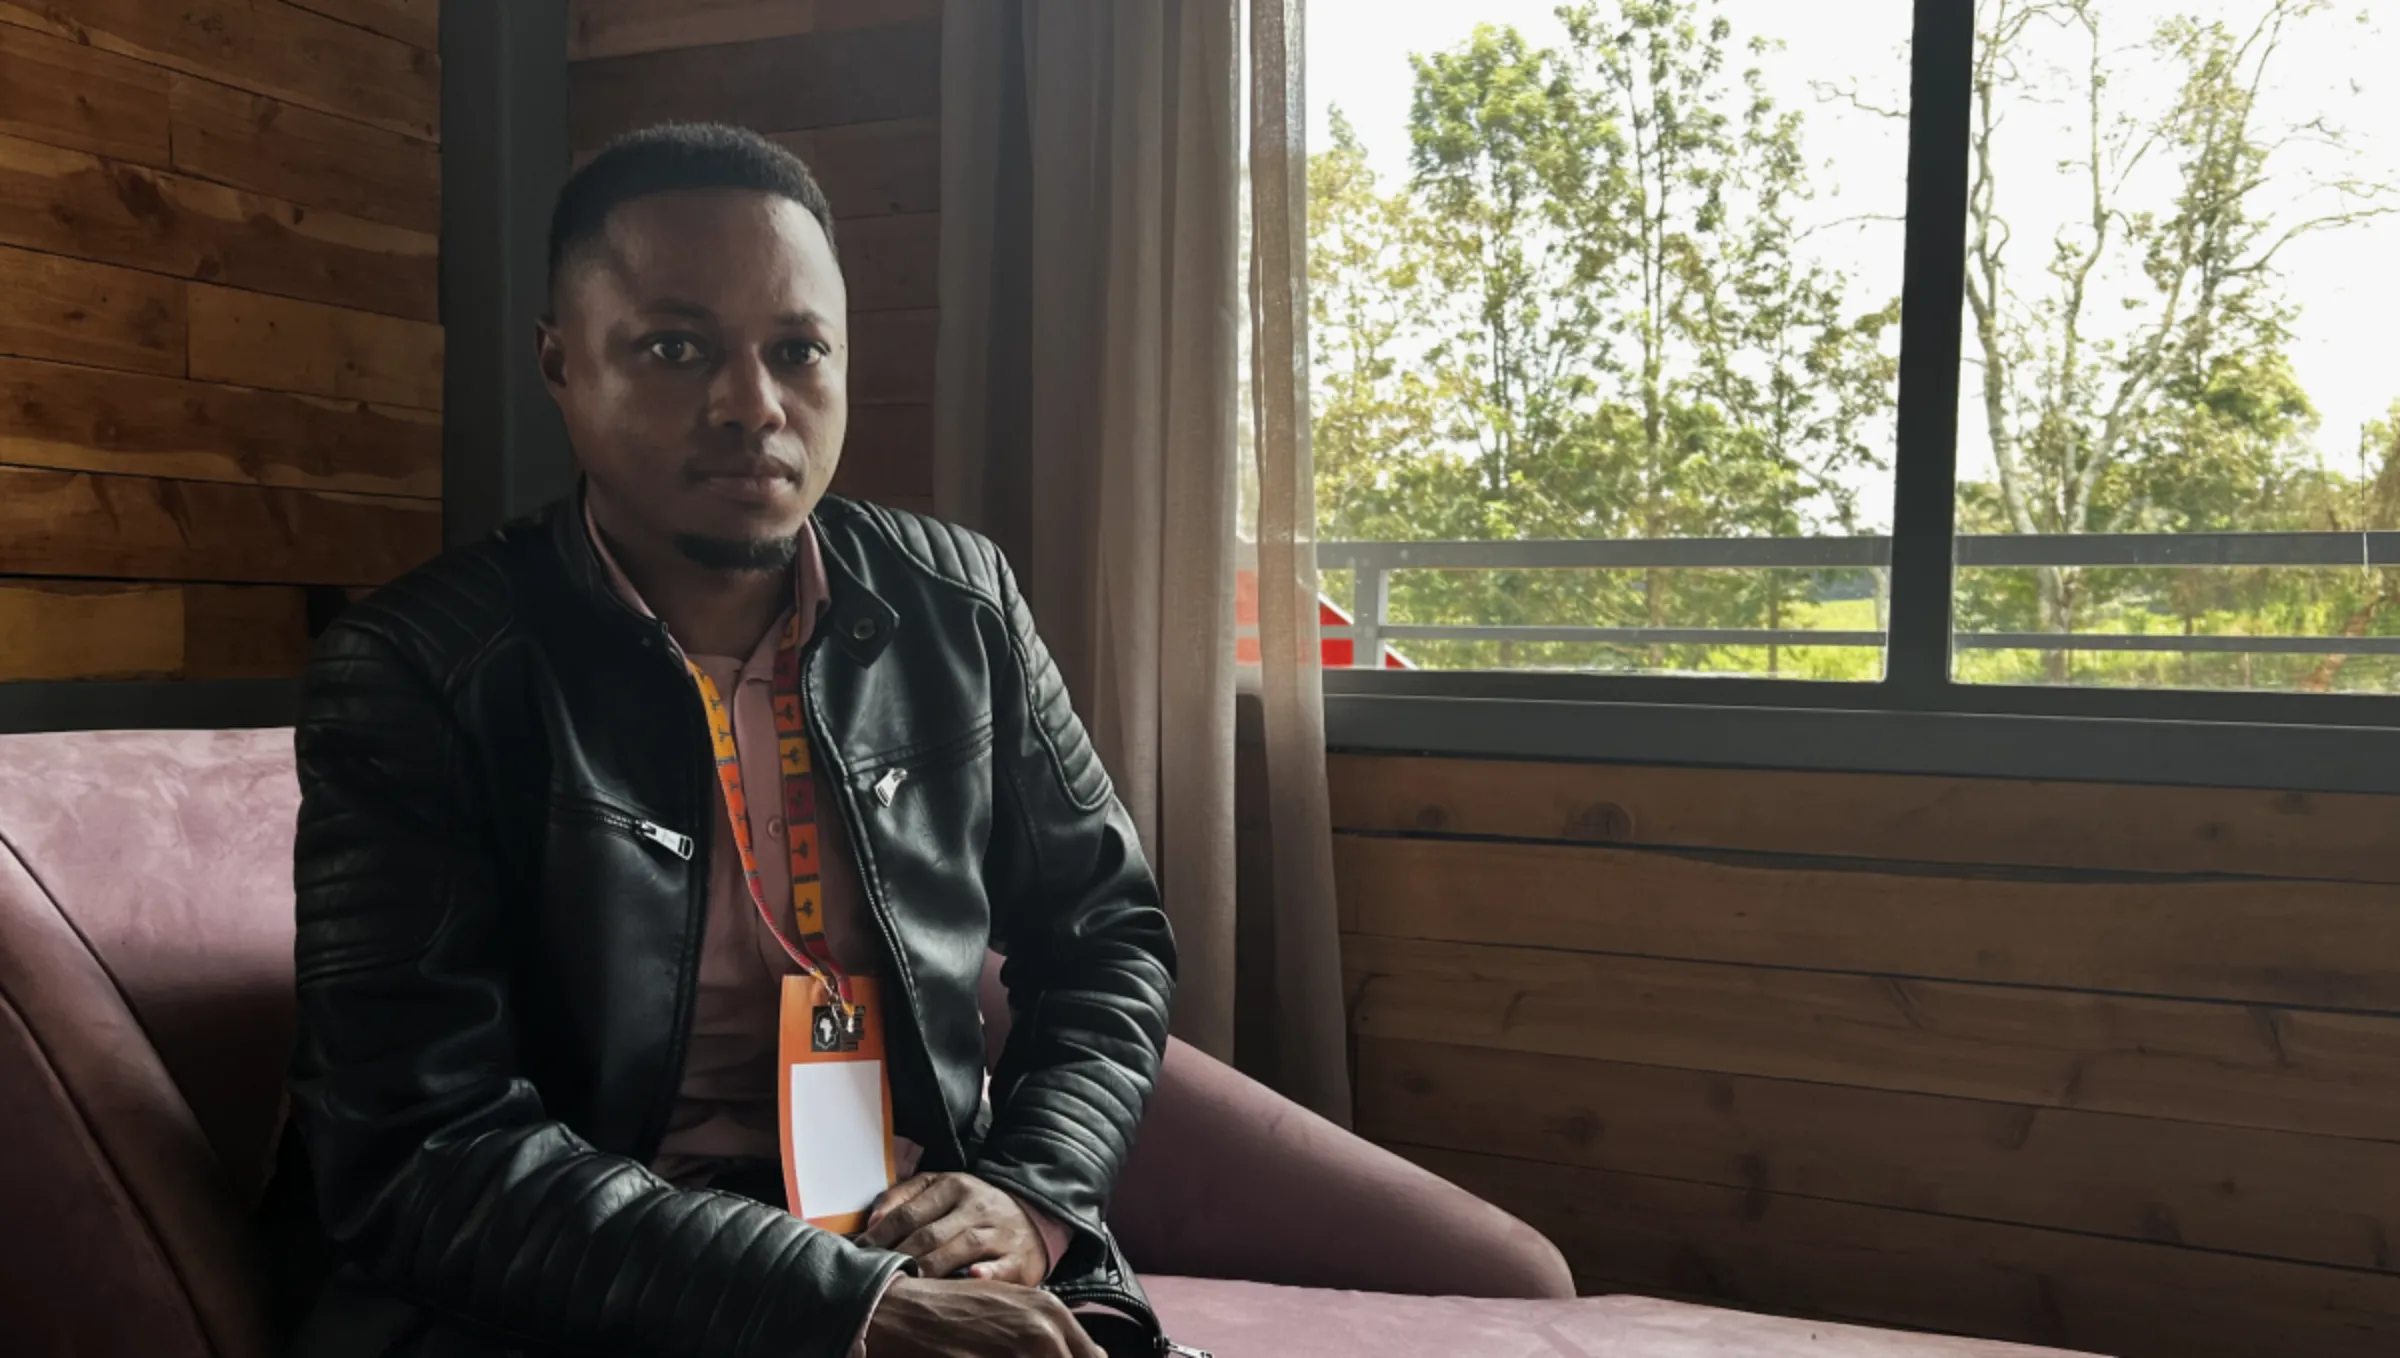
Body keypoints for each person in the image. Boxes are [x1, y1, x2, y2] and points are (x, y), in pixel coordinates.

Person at [279, 123, 1177, 1358]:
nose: (752, 405)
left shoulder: (960, 607)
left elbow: (1106, 941)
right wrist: (843, 1308)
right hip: (588, 1283)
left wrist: (1029, 1191)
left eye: (798, 350)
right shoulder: (420, 671)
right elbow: (417, 1149)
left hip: (900, 1223)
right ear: (559, 365)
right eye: (674, 346)